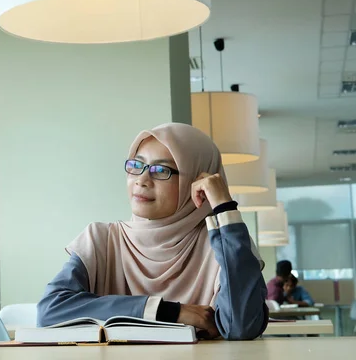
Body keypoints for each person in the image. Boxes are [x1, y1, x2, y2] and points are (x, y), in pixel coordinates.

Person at [36, 123, 268, 340]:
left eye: (161, 170)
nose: (142, 180)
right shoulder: (102, 239)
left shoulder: (223, 242)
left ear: (195, 179)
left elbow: (241, 326)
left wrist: (224, 207)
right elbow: (51, 310)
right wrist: (168, 311)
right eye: (136, 166)